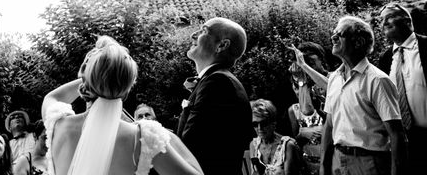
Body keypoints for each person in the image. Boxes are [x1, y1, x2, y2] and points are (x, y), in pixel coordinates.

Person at [42, 36, 203, 175]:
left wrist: (94, 73)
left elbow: (53, 96)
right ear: (126, 89)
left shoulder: (58, 125)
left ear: (85, 79)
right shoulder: (143, 138)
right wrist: (165, 137)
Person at [320, 16, 407, 175]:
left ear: (358, 42)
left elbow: (397, 135)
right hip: (338, 160)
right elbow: (329, 124)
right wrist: (324, 165)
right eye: (334, 33)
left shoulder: (377, 80)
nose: (333, 38)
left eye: (340, 34)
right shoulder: (334, 78)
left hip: (369, 163)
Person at [176, 17, 254, 175]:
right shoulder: (216, 80)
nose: (193, 35)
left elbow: (189, 146)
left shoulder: (217, 83)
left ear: (222, 45)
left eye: (204, 31)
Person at [377, 3, 427, 170]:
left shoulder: (425, 46)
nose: (383, 22)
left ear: (407, 20)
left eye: (389, 17)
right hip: (403, 139)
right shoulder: (385, 59)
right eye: (381, 20)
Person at [287, 43, 328, 175]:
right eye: (305, 62)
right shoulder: (304, 89)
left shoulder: (333, 79)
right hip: (312, 165)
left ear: (322, 59)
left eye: (311, 61)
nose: (308, 66)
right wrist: (302, 134)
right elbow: (306, 111)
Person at [249, 99, 299, 175]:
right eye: (255, 124)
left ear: (273, 123)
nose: (259, 128)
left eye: (264, 123)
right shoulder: (254, 145)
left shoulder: (287, 146)